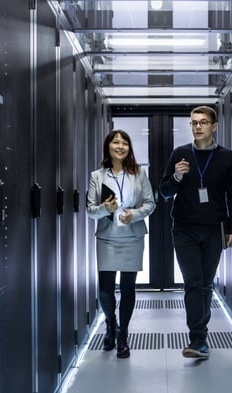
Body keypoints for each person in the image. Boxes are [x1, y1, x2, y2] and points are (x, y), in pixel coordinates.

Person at [159, 105, 232, 359]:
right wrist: (176, 176)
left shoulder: (227, 157)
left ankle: (200, 334)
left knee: (205, 285)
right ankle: (198, 339)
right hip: (184, 229)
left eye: (203, 122)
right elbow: (163, 192)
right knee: (193, 283)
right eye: (194, 123)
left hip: (214, 229)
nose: (197, 127)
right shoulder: (180, 154)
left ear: (214, 126)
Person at [87, 130, 156, 358]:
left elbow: (150, 203)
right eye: (116, 142)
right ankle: (110, 324)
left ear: (129, 148)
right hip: (107, 237)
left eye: (124, 143)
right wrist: (104, 209)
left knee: (128, 289)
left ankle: (123, 335)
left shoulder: (139, 173)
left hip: (132, 237)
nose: (120, 146)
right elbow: (90, 210)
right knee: (105, 290)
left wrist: (134, 215)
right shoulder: (97, 176)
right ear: (108, 146)